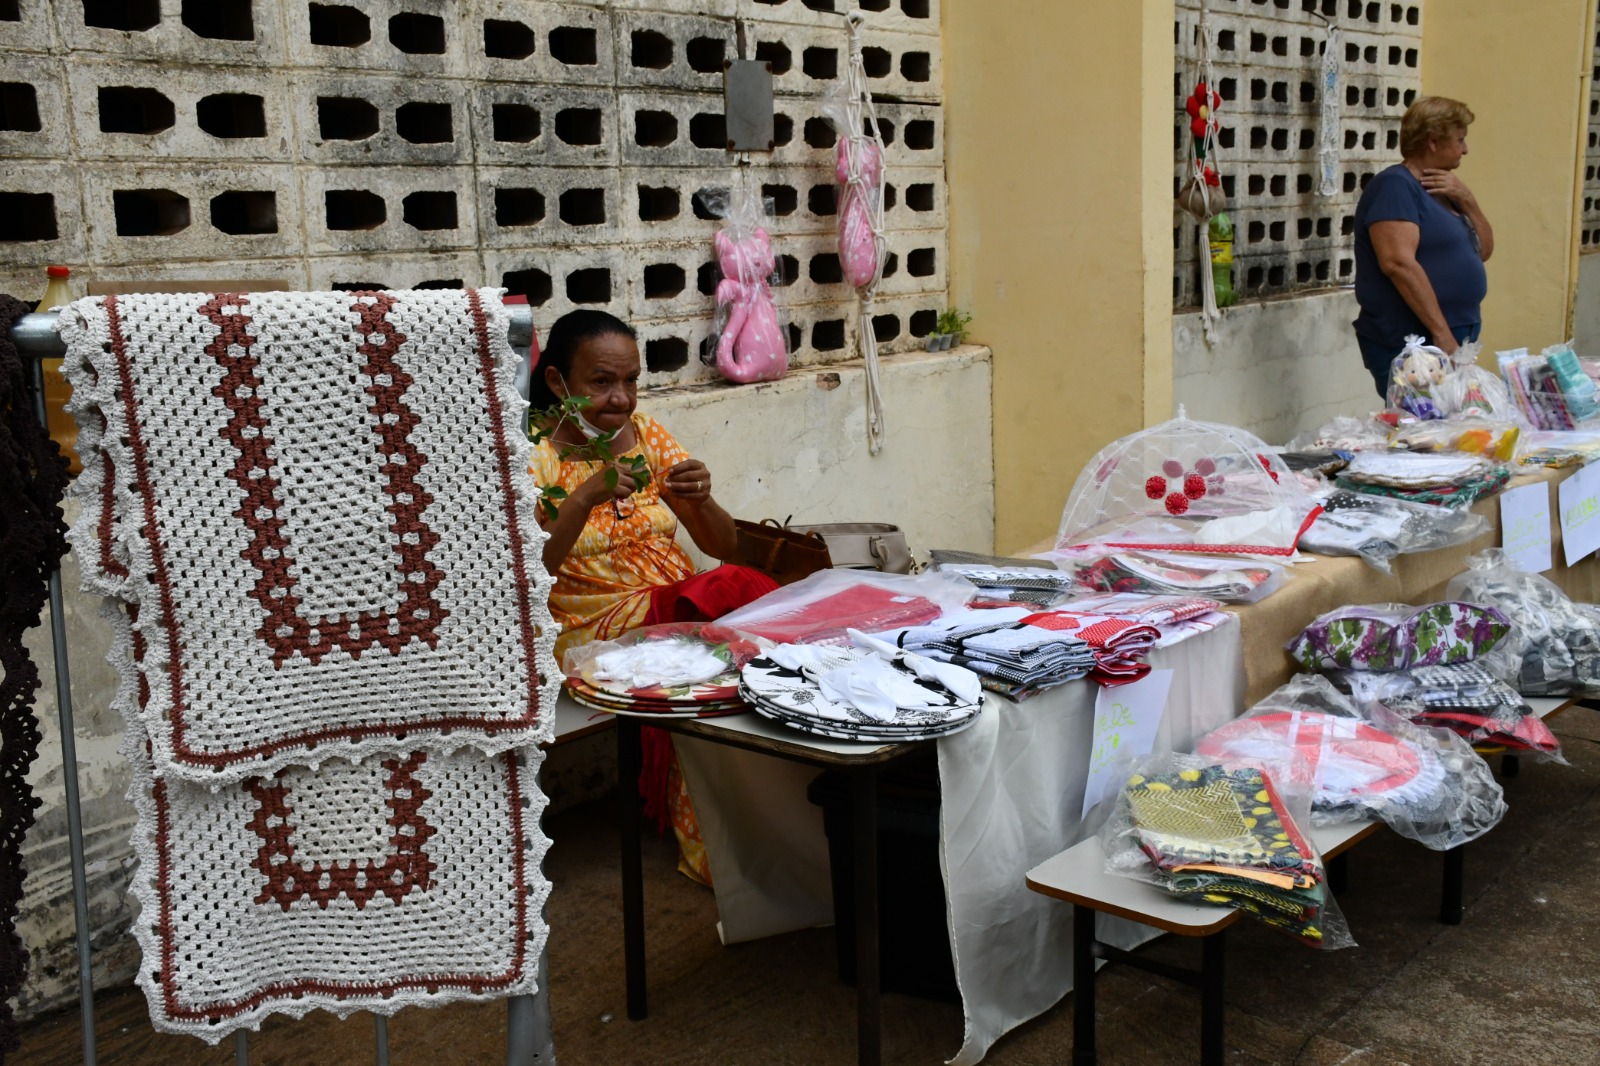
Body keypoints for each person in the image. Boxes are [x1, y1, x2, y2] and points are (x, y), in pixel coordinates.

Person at [527, 308, 776, 884]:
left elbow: (724, 544)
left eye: (631, 381)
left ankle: (773, 818)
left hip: (679, 603)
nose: (621, 399)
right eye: (602, 382)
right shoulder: (532, 457)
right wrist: (584, 496)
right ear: (558, 382)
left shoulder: (646, 436)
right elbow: (526, 575)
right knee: (713, 648)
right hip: (591, 630)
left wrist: (702, 498)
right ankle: (719, 851)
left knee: (752, 633)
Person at [1352, 95, 1494, 398]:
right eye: (1459, 140)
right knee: (1422, 426)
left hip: (1455, 333)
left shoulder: (1446, 190)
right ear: (1432, 141)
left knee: (1454, 425)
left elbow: (1481, 251)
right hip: (1415, 341)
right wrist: (1442, 334)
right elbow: (1398, 263)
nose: (1465, 149)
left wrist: (1468, 200)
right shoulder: (1396, 187)